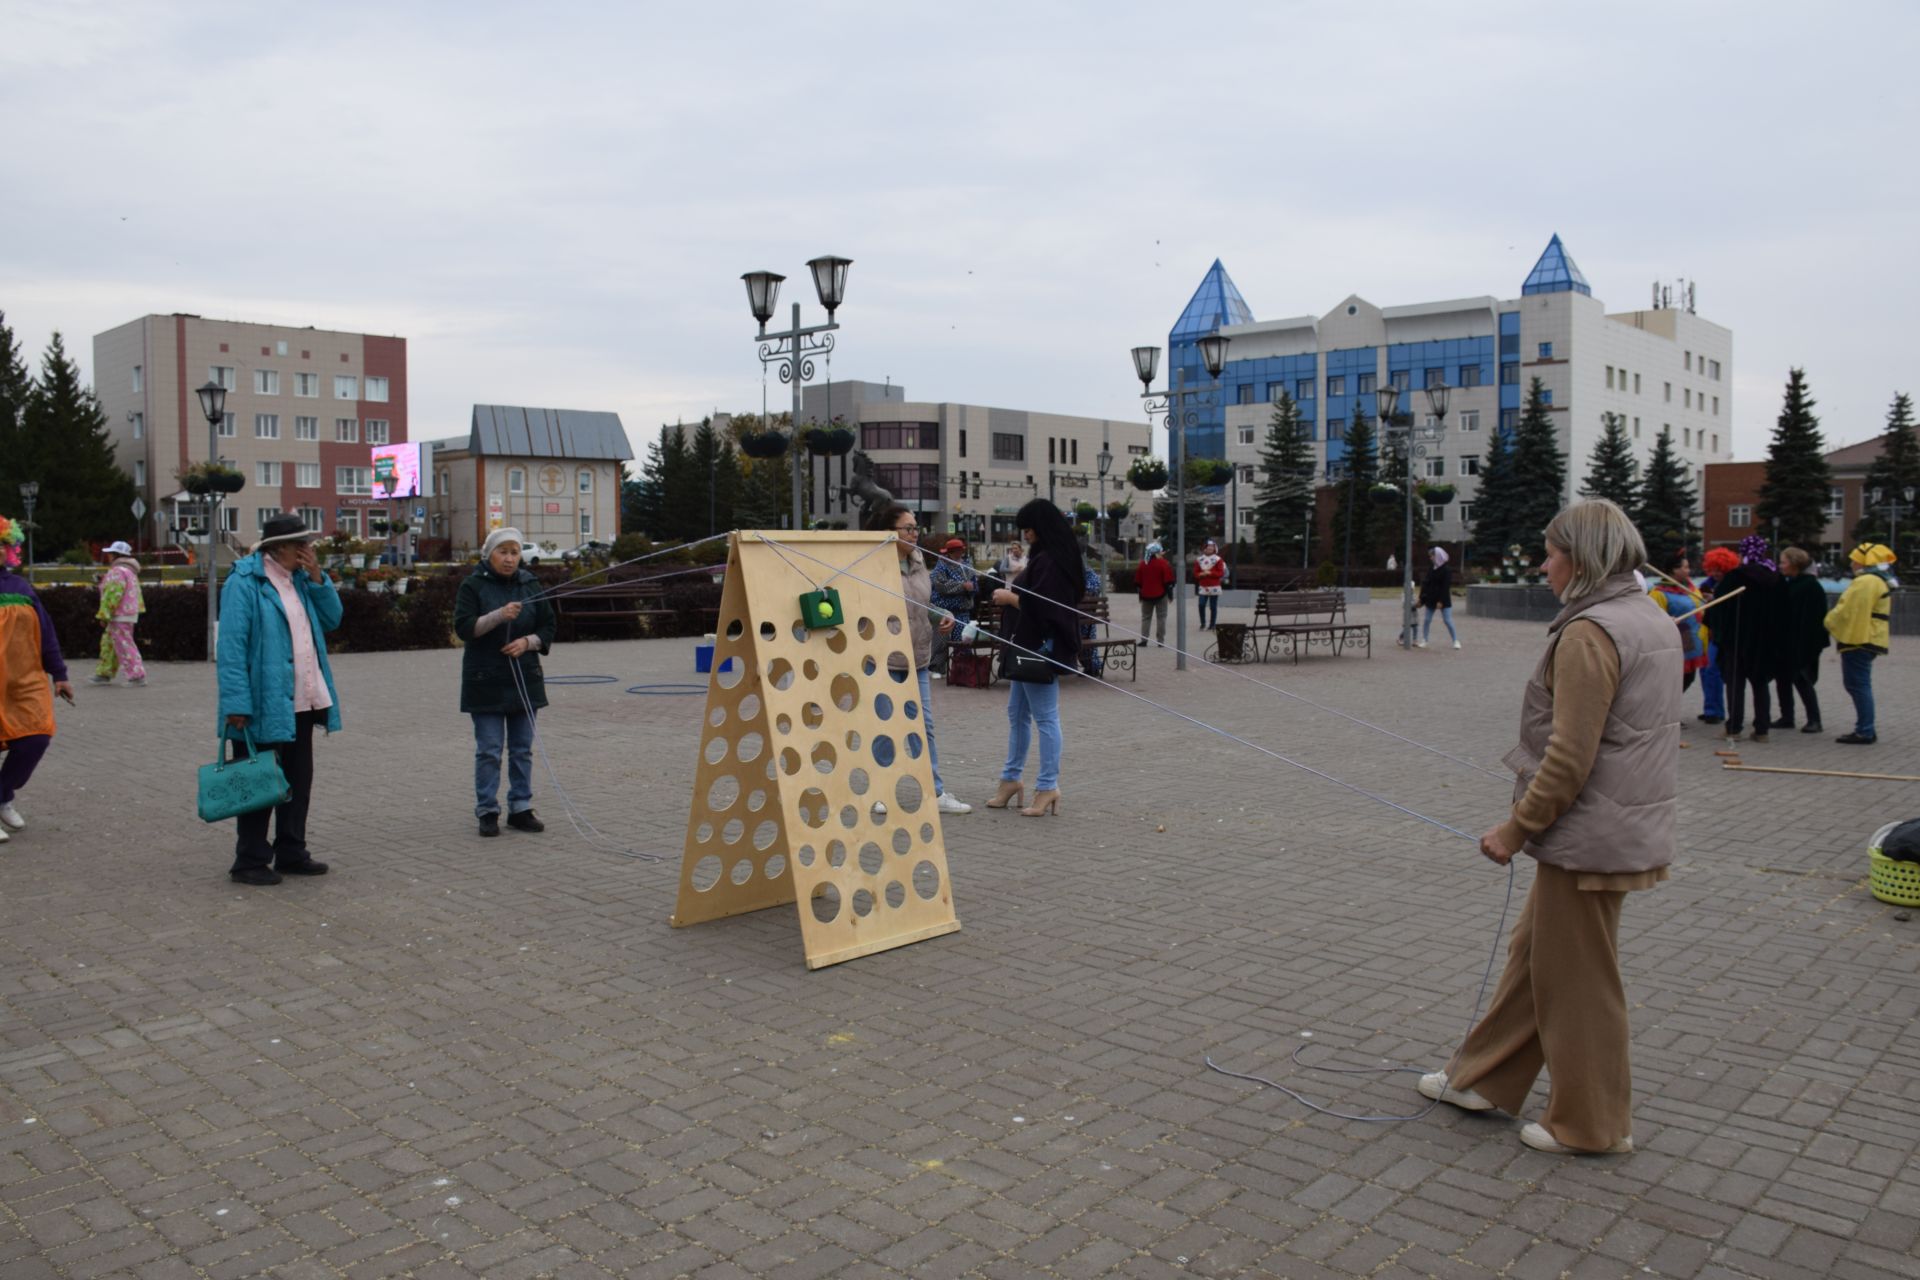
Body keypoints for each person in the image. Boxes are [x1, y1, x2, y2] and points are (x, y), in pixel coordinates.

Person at [1418, 498, 1679, 1155]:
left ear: (1584, 558)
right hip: (1608, 826)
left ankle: (1590, 1125)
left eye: (1552, 551)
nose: (1543, 564)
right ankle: (1480, 1080)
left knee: (1578, 980)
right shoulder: (1643, 616)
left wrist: (1516, 829)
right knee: (1537, 958)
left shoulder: (1593, 631)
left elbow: (1570, 755)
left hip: (1590, 833)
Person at [217, 514, 343, 884]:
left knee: (297, 780)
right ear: (282, 547)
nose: (309, 550)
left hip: (303, 697)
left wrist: (319, 578)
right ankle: (250, 859)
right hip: (262, 702)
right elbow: (231, 646)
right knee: (258, 780)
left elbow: (333, 619)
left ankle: (291, 851)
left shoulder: (302, 580)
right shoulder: (245, 581)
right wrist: (236, 702)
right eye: (303, 543)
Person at [866, 504, 969, 815]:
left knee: (923, 726)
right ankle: (880, 792)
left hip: (918, 658)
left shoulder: (918, 560)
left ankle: (934, 792)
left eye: (915, 529)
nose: (914, 534)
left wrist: (943, 615)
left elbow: (922, 603)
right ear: (889, 532)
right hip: (883, 659)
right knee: (885, 727)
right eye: (907, 529)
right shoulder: (873, 564)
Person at [453, 528, 557, 836]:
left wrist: (529, 642)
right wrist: (499, 615)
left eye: (514, 552)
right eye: (503, 552)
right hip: (485, 680)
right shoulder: (473, 586)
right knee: (489, 749)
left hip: (524, 677)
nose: (510, 558)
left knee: (522, 748)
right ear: (489, 555)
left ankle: (521, 808)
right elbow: (464, 628)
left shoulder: (531, 584)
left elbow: (549, 625)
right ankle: (487, 810)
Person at [988, 499, 1084, 818]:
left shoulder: (1051, 561)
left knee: (1045, 718)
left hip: (1036, 651)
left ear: (1041, 528)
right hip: (1026, 647)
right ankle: (1011, 780)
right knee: (1016, 714)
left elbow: (1047, 609)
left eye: (1028, 529)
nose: (1025, 535)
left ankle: (1047, 786)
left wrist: (1010, 597)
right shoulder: (1048, 556)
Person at [0, 514, 74, 844]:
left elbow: (46, 632)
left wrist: (59, 674)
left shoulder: (20, 587)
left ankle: (2, 795)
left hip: (24, 681)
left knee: (36, 737)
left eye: (3, 544)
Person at [1711, 535, 1786, 743]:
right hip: (1764, 641)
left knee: (1735, 684)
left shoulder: (1736, 576)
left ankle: (1733, 727)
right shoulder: (1775, 577)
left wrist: (1717, 627)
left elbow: (1719, 607)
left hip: (1736, 639)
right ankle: (1762, 730)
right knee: (1760, 683)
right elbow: (1784, 610)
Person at [1825, 542, 1896, 745]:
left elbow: (1849, 609)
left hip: (1861, 638)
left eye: (1855, 559)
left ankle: (1865, 730)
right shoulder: (1876, 580)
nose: (1852, 563)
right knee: (1859, 684)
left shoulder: (1866, 582)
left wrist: (1829, 621)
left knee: (1858, 685)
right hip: (1868, 637)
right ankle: (1865, 728)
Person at [1771, 546, 1829, 734]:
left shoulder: (1810, 586)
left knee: (1802, 680)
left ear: (1795, 564)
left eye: (1783, 562)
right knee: (1783, 680)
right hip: (1786, 642)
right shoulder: (1792, 583)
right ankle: (1787, 717)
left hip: (1801, 643)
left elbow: (1812, 620)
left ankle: (1815, 719)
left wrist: (1805, 644)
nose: (1780, 566)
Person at [1647, 548, 1709, 693]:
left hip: (1692, 639)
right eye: (1685, 567)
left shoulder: (1691, 588)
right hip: (1677, 641)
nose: (1689, 570)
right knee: (1675, 682)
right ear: (1674, 570)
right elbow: (1652, 619)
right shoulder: (1659, 593)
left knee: (1687, 678)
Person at [90, 541, 147, 686]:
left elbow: (112, 594)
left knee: (124, 644)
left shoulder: (117, 571)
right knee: (110, 643)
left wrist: (104, 614)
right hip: (128, 612)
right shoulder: (129, 571)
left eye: (110, 553)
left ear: (115, 555)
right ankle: (104, 673)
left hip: (119, 614)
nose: (108, 556)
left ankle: (136, 676)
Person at [1694, 546, 1739, 724]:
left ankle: (1716, 711)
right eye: (1712, 569)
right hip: (1708, 633)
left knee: (1713, 671)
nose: (1715, 573)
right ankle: (1710, 708)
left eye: (1718, 569)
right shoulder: (1707, 584)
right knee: (1705, 672)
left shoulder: (1729, 584)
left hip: (1721, 635)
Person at [927, 536, 976, 677]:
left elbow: (974, 583)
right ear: (950, 552)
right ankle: (936, 668)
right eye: (956, 551)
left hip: (962, 609)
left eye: (961, 550)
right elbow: (940, 585)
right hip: (944, 609)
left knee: (963, 639)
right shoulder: (941, 565)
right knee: (941, 639)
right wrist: (962, 586)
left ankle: (962, 669)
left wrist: (972, 588)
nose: (959, 553)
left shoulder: (967, 565)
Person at [1417, 545, 1459, 649]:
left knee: (1447, 620)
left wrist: (1441, 601)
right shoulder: (1431, 569)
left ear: (1438, 556)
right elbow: (1426, 584)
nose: (1430, 558)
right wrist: (1421, 599)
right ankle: (1425, 640)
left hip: (1443, 599)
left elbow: (1445, 587)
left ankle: (1455, 640)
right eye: (1430, 556)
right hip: (1431, 598)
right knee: (1427, 620)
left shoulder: (1446, 570)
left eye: (1432, 556)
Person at [1136, 542, 1173, 646]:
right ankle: (1160, 641)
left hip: (1145, 595)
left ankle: (1144, 639)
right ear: (1157, 552)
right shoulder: (1163, 563)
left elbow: (1138, 582)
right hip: (1161, 594)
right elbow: (1168, 581)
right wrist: (1170, 595)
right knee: (1161, 617)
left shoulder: (1143, 563)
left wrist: (1140, 595)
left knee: (1146, 617)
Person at [1193, 539, 1225, 630]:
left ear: (1214, 549)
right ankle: (1203, 623)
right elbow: (1195, 573)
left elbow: (1220, 573)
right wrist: (1201, 574)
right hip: (1203, 586)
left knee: (1213, 606)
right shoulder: (1199, 560)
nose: (1210, 549)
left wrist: (1210, 573)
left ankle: (1212, 624)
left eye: (1212, 547)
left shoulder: (1218, 559)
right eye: (1208, 547)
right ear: (1205, 548)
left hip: (1214, 586)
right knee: (1201, 604)